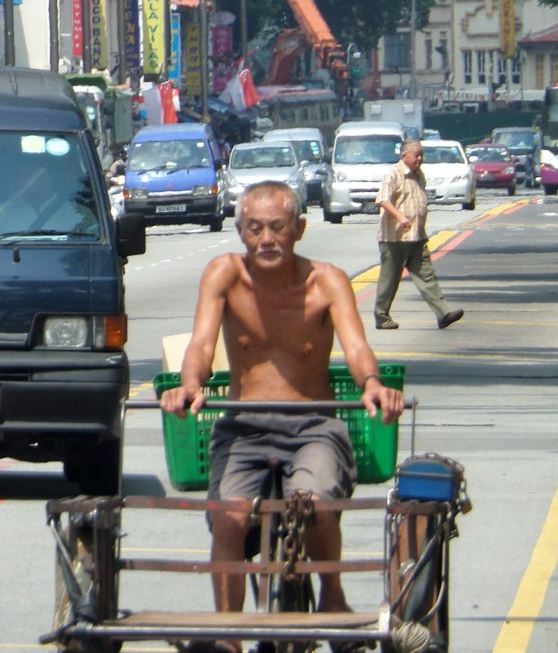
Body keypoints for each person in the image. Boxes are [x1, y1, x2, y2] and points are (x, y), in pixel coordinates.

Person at [161, 182, 403, 626]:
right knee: (229, 518)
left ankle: (332, 594)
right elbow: (200, 342)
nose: (266, 239)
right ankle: (227, 631)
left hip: (313, 427)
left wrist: (370, 382)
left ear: (299, 230)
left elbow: (355, 347)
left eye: (277, 227)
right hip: (242, 427)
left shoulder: (326, 281)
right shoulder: (224, 274)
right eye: (255, 228)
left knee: (312, 504)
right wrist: (190, 383)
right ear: (240, 232)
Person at [374, 139, 464, 331]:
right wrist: (401, 218)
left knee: (426, 275)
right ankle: (382, 317)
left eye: (421, 155)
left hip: (417, 236)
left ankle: (443, 313)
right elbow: (382, 200)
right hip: (394, 237)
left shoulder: (419, 175)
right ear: (404, 155)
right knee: (390, 279)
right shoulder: (393, 174)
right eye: (416, 155)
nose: (420, 159)